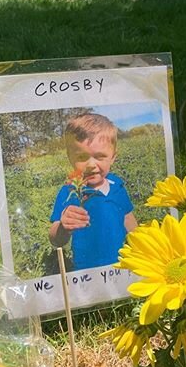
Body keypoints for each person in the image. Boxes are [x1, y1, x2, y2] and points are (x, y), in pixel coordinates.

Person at [49, 113, 137, 270]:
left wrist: (141, 245)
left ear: (113, 158)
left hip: (121, 265)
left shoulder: (117, 186)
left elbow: (128, 219)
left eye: (100, 156)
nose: (91, 165)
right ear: (70, 157)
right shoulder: (69, 191)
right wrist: (63, 226)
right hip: (85, 272)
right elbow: (56, 240)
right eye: (82, 157)